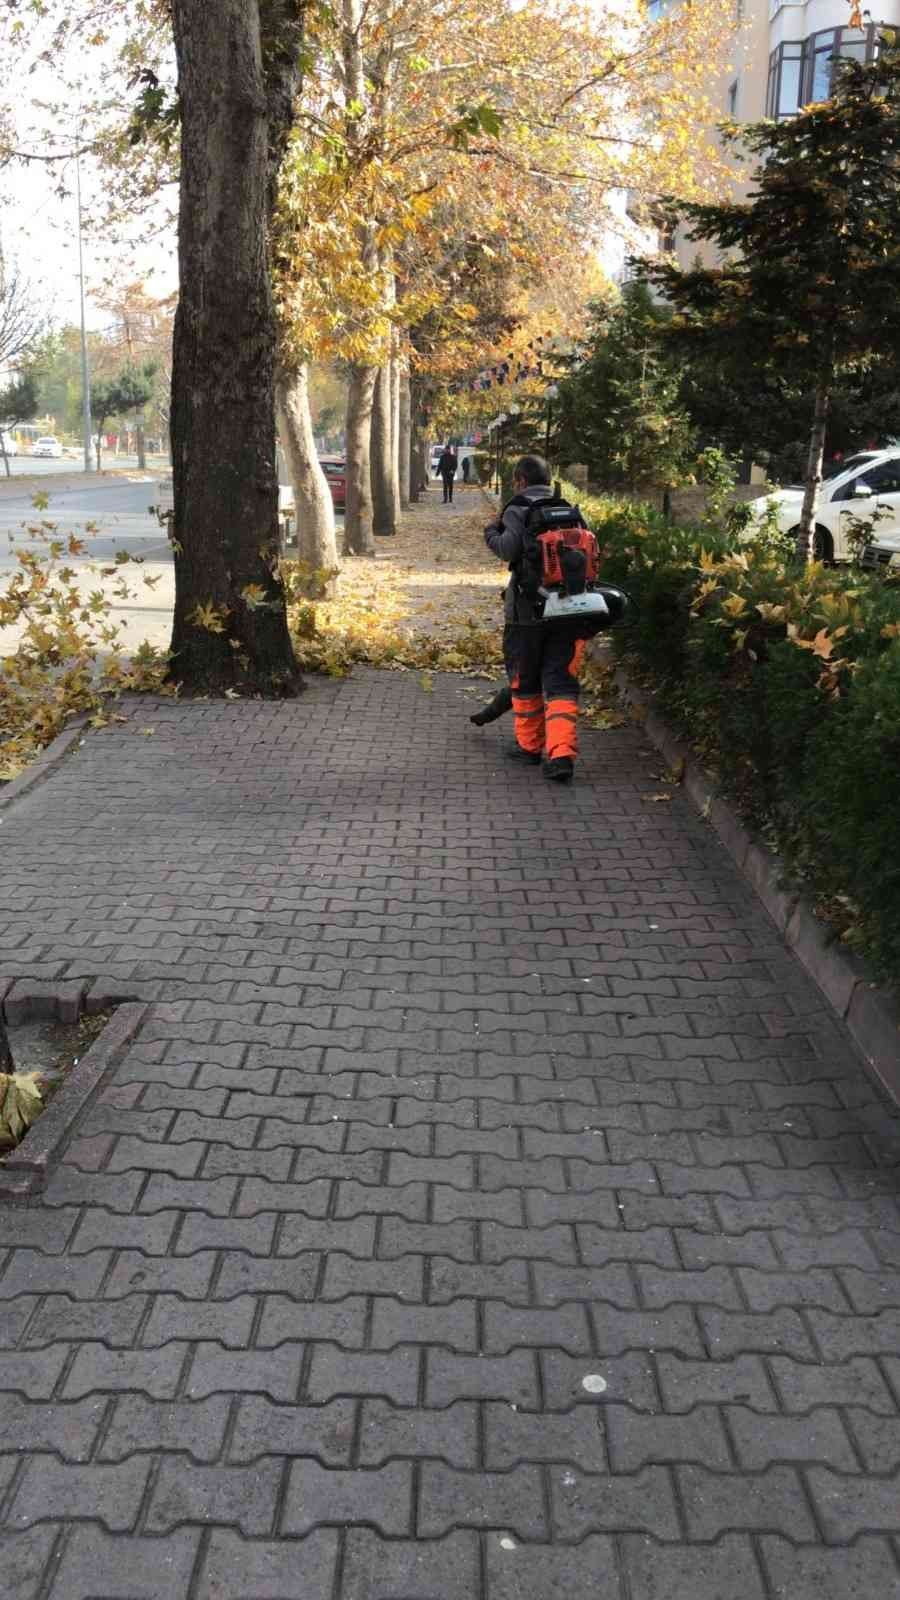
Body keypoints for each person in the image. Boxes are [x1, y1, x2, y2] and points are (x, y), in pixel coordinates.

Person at [483, 454, 593, 784]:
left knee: (525, 680)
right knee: (561, 683)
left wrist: (490, 531)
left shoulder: (518, 509)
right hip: (568, 610)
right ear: (549, 479)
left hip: (526, 614)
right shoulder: (571, 510)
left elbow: (506, 548)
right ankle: (561, 755)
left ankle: (530, 747)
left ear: (519, 481)